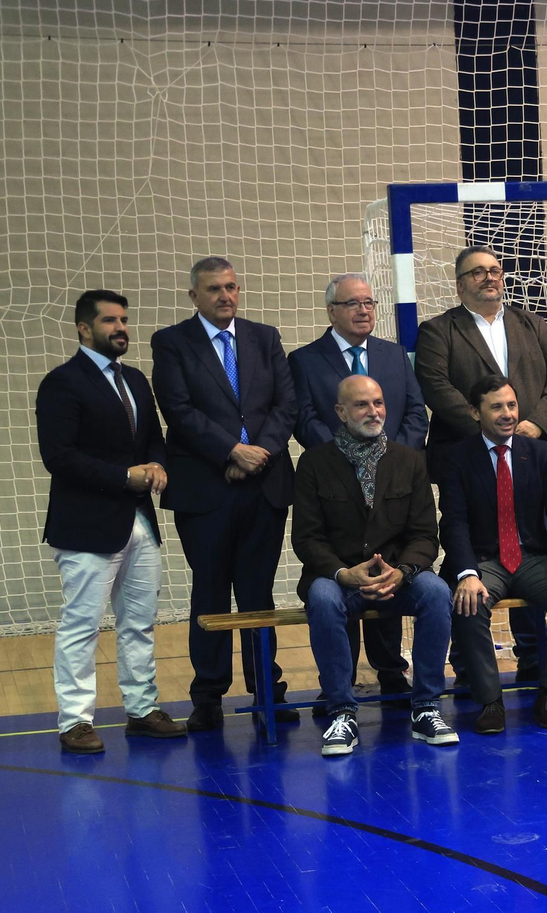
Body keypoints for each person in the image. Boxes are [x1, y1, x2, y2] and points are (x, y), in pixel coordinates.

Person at [36, 290, 186, 753]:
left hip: (139, 521)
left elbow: (154, 438)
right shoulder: (62, 382)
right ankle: (75, 721)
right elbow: (58, 456)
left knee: (138, 623)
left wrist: (157, 464)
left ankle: (142, 710)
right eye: (109, 321)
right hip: (86, 525)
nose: (121, 328)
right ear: (84, 329)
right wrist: (124, 477)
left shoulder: (135, 379)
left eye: (123, 320)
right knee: (82, 625)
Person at [151, 257, 298, 731]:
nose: (225, 296)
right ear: (194, 296)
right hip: (205, 488)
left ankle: (266, 692)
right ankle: (208, 698)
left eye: (231, 287)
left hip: (264, 484)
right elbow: (178, 409)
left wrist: (258, 453)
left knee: (258, 593)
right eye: (214, 289)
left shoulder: (264, 337)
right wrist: (231, 451)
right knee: (210, 591)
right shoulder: (172, 342)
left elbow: (286, 405)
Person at [415, 246, 547, 682]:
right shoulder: (438, 330)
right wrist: (492, 432)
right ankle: (467, 666)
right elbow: (436, 386)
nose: (489, 277)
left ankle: (533, 655)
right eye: (478, 272)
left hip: (528, 456)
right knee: (469, 553)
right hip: (467, 460)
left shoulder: (531, 324)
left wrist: (534, 425)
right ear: (459, 284)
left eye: (495, 270)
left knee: (530, 549)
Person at [292, 376, 456, 756]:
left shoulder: (410, 460)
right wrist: (343, 573)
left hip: (398, 576)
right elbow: (307, 538)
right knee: (322, 597)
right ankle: (342, 714)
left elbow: (425, 536)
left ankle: (426, 707)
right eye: (362, 404)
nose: (373, 411)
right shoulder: (314, 463)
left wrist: (404, 572)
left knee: (436, 591)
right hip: (339, 577)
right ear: (341, 412)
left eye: (378, 403)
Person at [290, 272, 427, 702]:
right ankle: (340, 684)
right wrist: (343, 456)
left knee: (386, 559)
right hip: (335, 480)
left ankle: (393, 674)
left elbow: (416, 412)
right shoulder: (305, 360)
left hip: (392, 479)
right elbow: (304, 418)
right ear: (331, 311)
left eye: (369, 303)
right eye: (353, 303)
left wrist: (390, 459)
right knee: (339, 579)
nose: (364, 310)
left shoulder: (393, 354)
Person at [439, 376, 547, 732]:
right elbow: (453, 523)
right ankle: (490, 702)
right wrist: (467, 574)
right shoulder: (457, 458)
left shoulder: (539, 452)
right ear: (475, 412)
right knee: (469, 602)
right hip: (482, 561)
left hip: (532, 558)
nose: (508, 413)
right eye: (496, 407)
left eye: (511, 405)